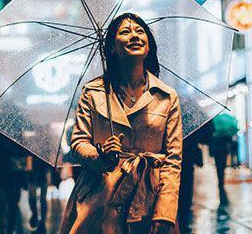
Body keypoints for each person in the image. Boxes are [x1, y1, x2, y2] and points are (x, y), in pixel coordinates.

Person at [58, 13, 183, 234]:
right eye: (125, 32)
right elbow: (79, 142)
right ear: (113, 48)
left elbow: (173, 160)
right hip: (99, 196)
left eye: (140, 31)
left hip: (149, 198)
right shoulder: (93, 92)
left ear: (148, 46)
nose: (134, 35)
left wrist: (165, 211)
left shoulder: (167, 96)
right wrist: (101, 155)